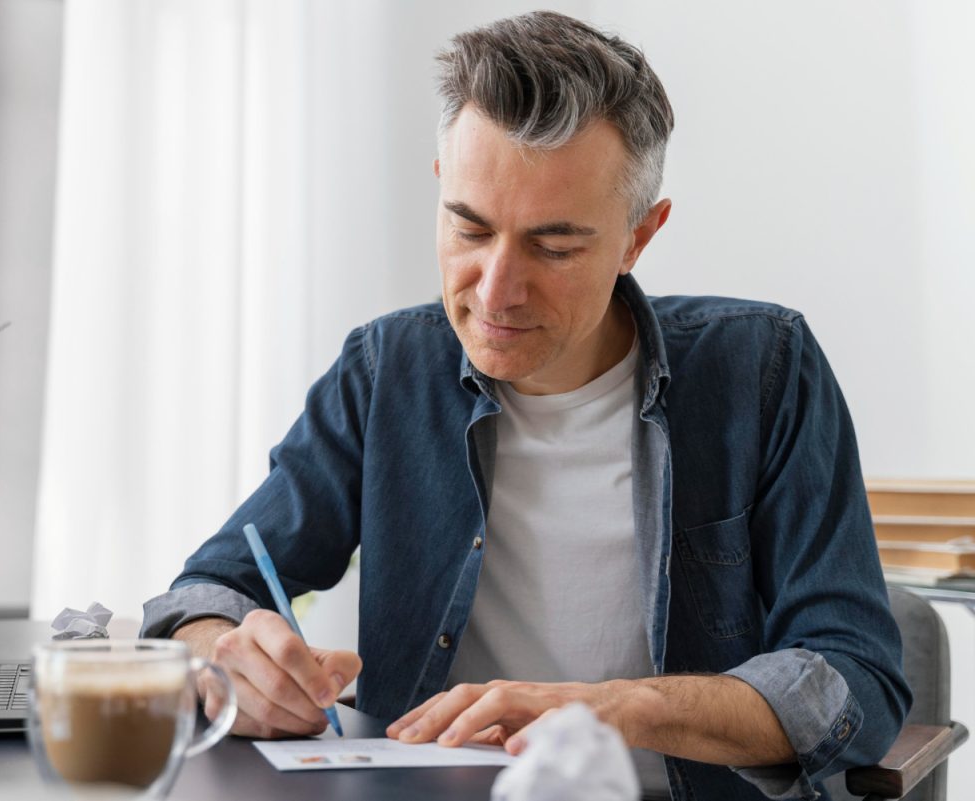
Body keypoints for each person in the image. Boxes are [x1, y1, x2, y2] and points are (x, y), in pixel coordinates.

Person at [140, 11, 909, 800]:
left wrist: (610, 709)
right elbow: (211, 588)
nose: (495, 290)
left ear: (639, 237)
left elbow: (855, 675)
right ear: (441, 185)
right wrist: (221, 652)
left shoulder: (764, 370)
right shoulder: (384, 371)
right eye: (469, 228)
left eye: (554, 246)